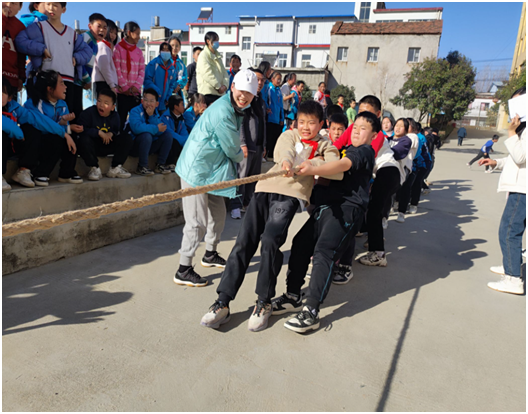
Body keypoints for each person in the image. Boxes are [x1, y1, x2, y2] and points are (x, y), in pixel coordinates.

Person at [200, 100, 342, 332]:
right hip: (264, 190)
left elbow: (336, 168)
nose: (306, 127)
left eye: (311, 123)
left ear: (321, 124)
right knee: (243, 242)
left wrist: (313, 165)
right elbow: (283, 152)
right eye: (302, 122)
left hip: (289, 197)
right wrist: (287, 161)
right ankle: (223, 301)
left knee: (269, 242)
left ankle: (263, 302)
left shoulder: (326, 146)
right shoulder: (289, 135)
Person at [272, 111, 377, 333]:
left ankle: (311, 310)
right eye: (355, 127)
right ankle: (293, 295)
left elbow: (342, 166)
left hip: (347, 209)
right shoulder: (344, 148)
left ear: (373, 135)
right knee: (301, 244)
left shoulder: (364, 152)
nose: (357, 131)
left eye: (364, 128)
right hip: (327, 207)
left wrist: (313, 168)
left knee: (324, 252)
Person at [174, 69, 257, 287]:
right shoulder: (223, 112)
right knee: (196, 222)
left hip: (210, 171)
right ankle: (183, 268)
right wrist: (240, 153)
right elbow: (231, 148)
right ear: (232, 87)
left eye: (249, 93)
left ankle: (210, 254)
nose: (244, 96)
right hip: (196, 170)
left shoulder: (235, 107)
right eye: (241, 90)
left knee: (218, 214)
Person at [481, 87, 526, 295]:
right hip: (519, 187)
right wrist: (496, 163)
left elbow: (520, 157)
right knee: (513, 230)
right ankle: (511, 266)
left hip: (522, 190)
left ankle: (513, 278)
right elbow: (515, 159)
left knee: (508, 231)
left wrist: (511, 132)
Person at [15, 2, 92, 119]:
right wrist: (40, 49)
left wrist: (77, 57)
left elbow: (87, 51)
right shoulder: (37, 27)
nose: (51, 8)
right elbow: (20, 41)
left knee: (65, 118)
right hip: (45, 79)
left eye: (55, 5)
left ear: (64, 9)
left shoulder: (71, 33)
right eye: (48, 4)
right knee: (42, 117)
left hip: (67, 82)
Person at [2, 76, 72, 189]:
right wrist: (19, 133)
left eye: (3, 93)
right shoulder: (32, 103)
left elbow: (37, 119)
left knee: (32, 128)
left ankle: (24, 171)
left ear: (10, 98)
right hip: (7, 142)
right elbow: (5, 124)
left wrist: (64, 134)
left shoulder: (14, 108)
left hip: (12, 147)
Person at [24, 70, 82, 187]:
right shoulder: (34, 103)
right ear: (50, 89)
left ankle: (66, 173)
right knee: (56, 139)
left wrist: (64, 124)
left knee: (73, 137)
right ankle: (40, 173)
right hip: (37, 143)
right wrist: (62, 128)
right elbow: (43, 125)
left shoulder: (63, 104)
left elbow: (62, 128)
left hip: (54, 139)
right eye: (61, 83)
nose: (65, 87)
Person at [230, 67, 267, 220]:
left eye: (262, 80)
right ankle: (235, 206)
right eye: (257, 79)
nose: (260, 83)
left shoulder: (260, 100)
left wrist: (264, 144)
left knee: (253, 177)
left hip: (258, 145)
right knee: (241, 177)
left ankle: (247, 203)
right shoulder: (243, 99)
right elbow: (240, 123)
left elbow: (262, 123)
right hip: (246, 145)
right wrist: (242, 143)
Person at [77, 89, 132, 181]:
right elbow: (81, 130)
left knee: (126, 138)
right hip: (93, 146)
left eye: (106, 103)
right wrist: (98, 132)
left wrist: (111, 133)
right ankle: (94, 168)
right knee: (83, 139)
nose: (101, 105)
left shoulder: (115, 116)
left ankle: (115, 168)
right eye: (99, 101)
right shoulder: (88, 113)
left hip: (108, 144)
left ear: (112, 107)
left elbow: (117, 131)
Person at [126, 88, 173, 176]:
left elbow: (160, 131)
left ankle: (160, 164)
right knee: (146, 135)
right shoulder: (135, 111)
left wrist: (151, 116)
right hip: (135, 145)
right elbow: (137, 128)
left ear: (157, 104)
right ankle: (142, 166)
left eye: (151, 101)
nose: (148, 103)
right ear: (142, 101)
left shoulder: (155, 113)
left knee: (168, 136)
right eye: (146, 100)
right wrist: (155, 128)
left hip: (149, 145)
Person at [113, 21, 145, 130]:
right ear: (129, 33)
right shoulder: (117, 49)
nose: (139, 37)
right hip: (122, 93)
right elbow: (116, 69)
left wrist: (136, 86)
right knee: (120, 120)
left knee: (135, 121)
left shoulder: (139, 52)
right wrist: (125, 88)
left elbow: (142, 71)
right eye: (137, 34)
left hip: (135, 94)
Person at [394, 118, 420, 223]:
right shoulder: (394, 137)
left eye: (404, 125)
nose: (400, 127)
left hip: (406, 167)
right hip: (396, 166)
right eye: (398, 125)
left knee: (405, 189)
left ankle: (401, 212)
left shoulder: (412, 137)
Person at [196, 31, 229, 106]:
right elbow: (207, 73)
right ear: (208, 41)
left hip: (220, 94)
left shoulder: (218, 56)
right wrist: (218, 87)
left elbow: (224, 73)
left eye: (217, 40)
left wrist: (225, 85)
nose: (217, 42)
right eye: (215, 40)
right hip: (208, 94)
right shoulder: (203, 55)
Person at [143, 42, 178, 113]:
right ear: (160, 51)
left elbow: (171, 85)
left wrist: (168, 97)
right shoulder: (153, 64)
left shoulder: (172, 68)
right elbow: (147, 81)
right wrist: (157, 91)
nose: (165, 52)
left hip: (163, 103)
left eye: (167, 50)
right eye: (163, 50)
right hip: (151, 101)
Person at [81, 13, 108, 97]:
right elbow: (79, 61)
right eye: (99, 26)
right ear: (90, 26)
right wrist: (87, 80)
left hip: (82, 82)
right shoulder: (86, 37)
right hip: (78, 81)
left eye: (105, 27)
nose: (102, 30)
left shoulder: (95, 44)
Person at [2, 1, 26, 93]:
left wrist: (21, 77)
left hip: (11, 78)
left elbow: (21, 54)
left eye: (13, 3)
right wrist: (3, 18)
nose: (8, 5)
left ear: (20, 7)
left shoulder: (20, 27)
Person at [92, 18, 119, 98]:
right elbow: (105, 68)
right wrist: (112, 86)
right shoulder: (102, 46)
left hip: (105, 83)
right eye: (111, 32)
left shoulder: (107, 47)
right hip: (103, 83)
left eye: (115, 33)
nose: (113, 35)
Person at [161, 94, 189, 170]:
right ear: (176, 107)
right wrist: (183, 141)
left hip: (180, 142)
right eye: (182, 104)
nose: (184, 107)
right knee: (173, 141)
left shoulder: (181, 119)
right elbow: (170, 132)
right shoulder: (164, 118)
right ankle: (170, 163)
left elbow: (184, 133)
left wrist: (186, 141)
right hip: (169, 143)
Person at [265, 71, 284, 160]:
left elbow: (281, 105)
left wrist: (282, 118)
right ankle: (266, 154)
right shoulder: (268, 88)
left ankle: (272, 155)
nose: (279, 81)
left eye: (280, 79)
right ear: (272, 79)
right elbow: (265, 99)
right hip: (270, 117)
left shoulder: (279, 90)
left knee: (276, 137)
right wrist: (266, 108)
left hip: (277, 118)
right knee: (269, 137)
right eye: (278, 79)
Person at [168, 35, 187, 99]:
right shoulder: (165, 61)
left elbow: (185, 78)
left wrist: (179, 85)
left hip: (177, 93)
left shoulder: (181, 63)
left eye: (177, 46)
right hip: (166, 91)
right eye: (172, 45)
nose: (174, 48)